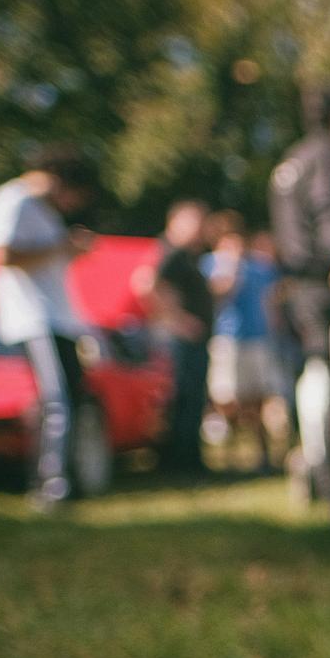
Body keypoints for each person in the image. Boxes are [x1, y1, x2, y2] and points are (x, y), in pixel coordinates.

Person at [0, 144, 98, 509]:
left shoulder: (41, 211)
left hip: (59, 319)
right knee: (56, 400)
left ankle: (67, 478)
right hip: (34, 318)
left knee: (71, 401)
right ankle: (51, 485)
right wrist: (61, 247)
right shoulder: (11, 200)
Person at [269, 82, 330, 496]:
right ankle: (328, 473)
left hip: (297, 284)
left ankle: (313, 464)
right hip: (323, 281)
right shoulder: (326, 155)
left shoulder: (290, 161)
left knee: (313, 370)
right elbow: (328, 211)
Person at [201, 212, 278, 470]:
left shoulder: (258, 267)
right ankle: (229, 455)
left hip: (257, 339)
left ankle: (262, 454)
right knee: (227, 398)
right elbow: (217, 296)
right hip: (227, 340)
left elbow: (271, 298)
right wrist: (229, 271)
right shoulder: (210, 265)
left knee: (258, 397)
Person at [144, 200, 215, 473]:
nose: (201, 229)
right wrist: (178, 321)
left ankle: (186, 458)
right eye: (196, 222)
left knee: (191, 398)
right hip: (180, 340)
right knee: (183, 398)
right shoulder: (171, 252)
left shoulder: (185, 254)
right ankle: (180, 461)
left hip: (189, 339)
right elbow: (147, 285)